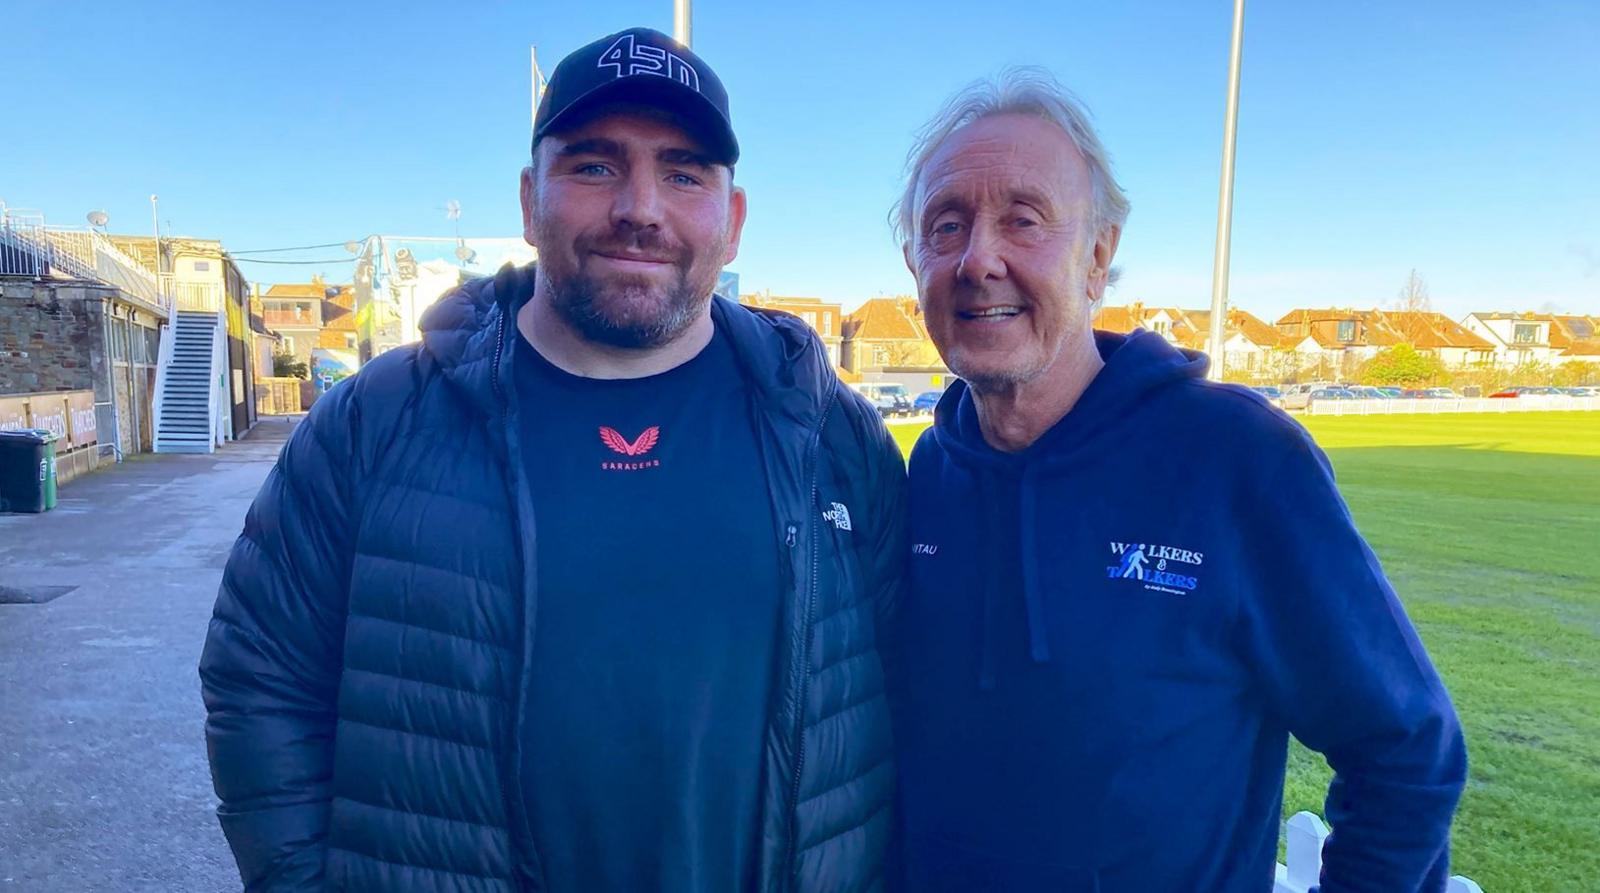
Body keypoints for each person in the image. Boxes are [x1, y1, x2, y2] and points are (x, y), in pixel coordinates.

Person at [201, 27, 905, 892]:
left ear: (734, 219)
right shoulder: (373, 425)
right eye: (595, 165)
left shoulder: (828, 432)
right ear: (532, 201)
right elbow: (258, 682)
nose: (640, 206)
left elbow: (903, 703)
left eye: (684, 172)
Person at [890, 69, 1466, 892]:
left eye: (1024, 218)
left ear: (1097, 257)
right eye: (947, 226)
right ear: (916, 263)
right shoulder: (928, 472)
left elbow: (1408, 749)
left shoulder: (1238, 458)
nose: (980, 258)